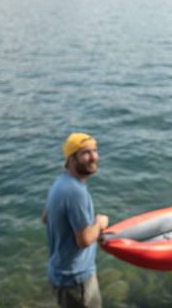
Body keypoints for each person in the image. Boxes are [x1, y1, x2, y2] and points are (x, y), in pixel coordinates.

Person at [42, 132, 109, 308]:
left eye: (95, 150)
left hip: (59, 273)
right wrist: (99, 223)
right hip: (76, 280)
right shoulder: (76, 192)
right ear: (72, 159)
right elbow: (85, 240)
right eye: (86, 152)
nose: (93, 157)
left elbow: (45, 218)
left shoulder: (60, 182)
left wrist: (83, 223)